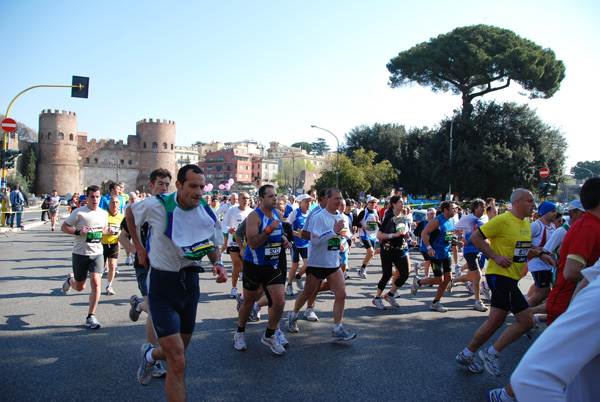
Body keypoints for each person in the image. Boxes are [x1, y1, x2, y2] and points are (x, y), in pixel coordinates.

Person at [127, 165, 227, 399]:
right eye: (193, 186)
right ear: (179, 185)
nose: (199, 192)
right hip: (163, 284)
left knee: (179, 350)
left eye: (201, 187)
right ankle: (154, 356)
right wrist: (139, 248)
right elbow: (130, 213)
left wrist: (218, 263)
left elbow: (212, 245)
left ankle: (149, 355)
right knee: (178, 361)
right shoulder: (157, 205)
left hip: (190, 285)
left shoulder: (206, 211)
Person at [454, 189, 556, 377]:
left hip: (511, 277)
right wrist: (494, 256)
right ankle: (492, 354)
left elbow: (523, 250)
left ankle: (466, 354)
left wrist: (541, 253)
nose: (534, 205)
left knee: (495, 320)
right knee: (527, 320)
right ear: (518, 202)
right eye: (530, 201)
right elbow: (475, 238)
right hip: (499, 276)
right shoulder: (502, 220)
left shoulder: (526, 222)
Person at [509, 261, 600, 402]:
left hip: (564, 286)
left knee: (547, 305)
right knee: (546, 303)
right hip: (560, 284)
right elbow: (530, 379)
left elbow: (591, 275)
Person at [119, 168, 171, 379]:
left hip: (165, 266)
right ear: (151, 186)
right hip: (145, 265)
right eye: (160, 183)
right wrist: (137, 251)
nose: (164, 187)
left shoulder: (169, 209)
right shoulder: (138, 209)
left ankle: (136, 305)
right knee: (154, 308)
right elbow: (122, 238)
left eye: (167, 184)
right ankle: (152, 354)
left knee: (157, 307)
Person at [287, 188, 356, 342]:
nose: (339, 201)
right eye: (336, 198)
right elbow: (315, 239)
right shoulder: (319, 216)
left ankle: (337, 329)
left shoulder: (341, 217)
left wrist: (338, 249)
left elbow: (335, 238)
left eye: (340, 198)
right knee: (307, 293)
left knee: (341, 294)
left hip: (332, 263)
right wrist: (333, 231)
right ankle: (293, 315)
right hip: (317, 263)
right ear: (327, 199)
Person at [234, 185, 291, 354]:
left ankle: (270, 334)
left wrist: (284, 240)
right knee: (249, 302)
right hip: (254, 266)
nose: (275, 199)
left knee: (280, 301)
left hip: (272, 265)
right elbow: (252, 243)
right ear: (261, 199)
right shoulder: (254, 216)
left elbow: (277, 233)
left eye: (275, 196)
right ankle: (240, 332)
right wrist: (268, 229)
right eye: (271, 196)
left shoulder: (277, 214)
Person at [60, 185, 111, 329]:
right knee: (80, 287)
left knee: (96, 283)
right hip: (80, 254)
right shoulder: (79, 212)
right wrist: (78, 231)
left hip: (97, 253)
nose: (95, 200)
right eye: (92, 197)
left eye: (97, 196)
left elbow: (103, 229)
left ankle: (91, 316)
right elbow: (64, 227)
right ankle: (71, 281)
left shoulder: (103, 213)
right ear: (86, 197)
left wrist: (109, 230)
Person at [411, 201, 456, 312]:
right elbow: (424, 233)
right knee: (438, 280)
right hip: (436, 254)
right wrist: (429, 248)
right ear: (446, 210)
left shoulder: (451, 221)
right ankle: (419, 282)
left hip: (446, 253)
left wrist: (456, 243)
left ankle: (436, 302)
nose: (456, 211)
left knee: (448, 278)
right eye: (453, 208)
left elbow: (447, 237)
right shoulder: (437, 221)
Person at [372, 196, 412, 310]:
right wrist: (393, 235)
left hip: (399, 249)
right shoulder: (389, 217)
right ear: (393, 204)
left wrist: (408, 237)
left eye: (403, 202)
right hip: (388, 249)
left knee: (405, 273)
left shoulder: (403, 217)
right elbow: (379, 235)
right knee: (387, 274)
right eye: (400, 202)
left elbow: (403, 232)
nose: (403, 204)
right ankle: (377, 298)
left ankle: (390, 294)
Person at [452, 199, 489, 312]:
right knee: (478, 275)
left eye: (484, 207)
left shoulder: (485, 218)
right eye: (481, 207)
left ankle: (453, 281)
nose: (484, 209)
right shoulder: (466, 218)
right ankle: (477, 301)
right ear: (475, 208)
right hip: (469, 249)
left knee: (471, 276)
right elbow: (456, 228)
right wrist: (461, 237)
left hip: (480, 250)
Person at [525, 201, 557, 308]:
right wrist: (535, 249)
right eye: (552, 211)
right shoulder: (536, 225)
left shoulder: (553, 226)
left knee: (541, 291)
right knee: (544, 292)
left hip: (548, 263)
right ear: (544, 212)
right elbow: (522, 241)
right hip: (537, 262)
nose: (555, 214)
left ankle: (529, 315)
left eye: (556, 211)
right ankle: (524, 313)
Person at [221, 192, 252, 298]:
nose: (246, 200)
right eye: (244, 198)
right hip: (233, 242)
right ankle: (234, 288)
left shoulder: (252, 212)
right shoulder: (232, 210)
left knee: (245, 268)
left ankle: (245, 290)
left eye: (248, 198)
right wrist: (228, 229)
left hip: (247, 243)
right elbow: (222, 224)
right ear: (239, 199)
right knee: (237, 266)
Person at [286, 194, 311, 295]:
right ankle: (289, 285)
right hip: (296, 244)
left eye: (310, 201)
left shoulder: (310, 214)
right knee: (295, 265)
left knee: (307, 264)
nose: (309, 204)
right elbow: (287, 226)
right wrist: (296, 234)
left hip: (306, 244)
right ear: (300, 203)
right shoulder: (295, 213)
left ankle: (298, 277)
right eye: (306, 201)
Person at [353, 196, 381, 279]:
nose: (373, 204)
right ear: (368, 203)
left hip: (373, 236)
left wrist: (378, 221)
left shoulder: (377, 212)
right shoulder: (363, 212)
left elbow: (381, 226)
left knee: (370, 255)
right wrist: (363, 227)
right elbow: (355, 222)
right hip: (365, 235)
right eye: (371, 202)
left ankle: (362, 269)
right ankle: (362, 269)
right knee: (371, 252)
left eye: (375, 202)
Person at [102, 196, 124, 295]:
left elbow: (123, 231)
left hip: (114, 244)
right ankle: (96, 286)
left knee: (112, 265)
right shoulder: (103, 214)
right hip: (102, 244)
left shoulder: (121, 217)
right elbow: (97, 228)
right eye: (112, 202)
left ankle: (109, 285)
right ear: (109, 204)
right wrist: (106, 231)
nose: (114, 204)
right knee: (100, 268)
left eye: (116, 202)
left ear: (119, 205)